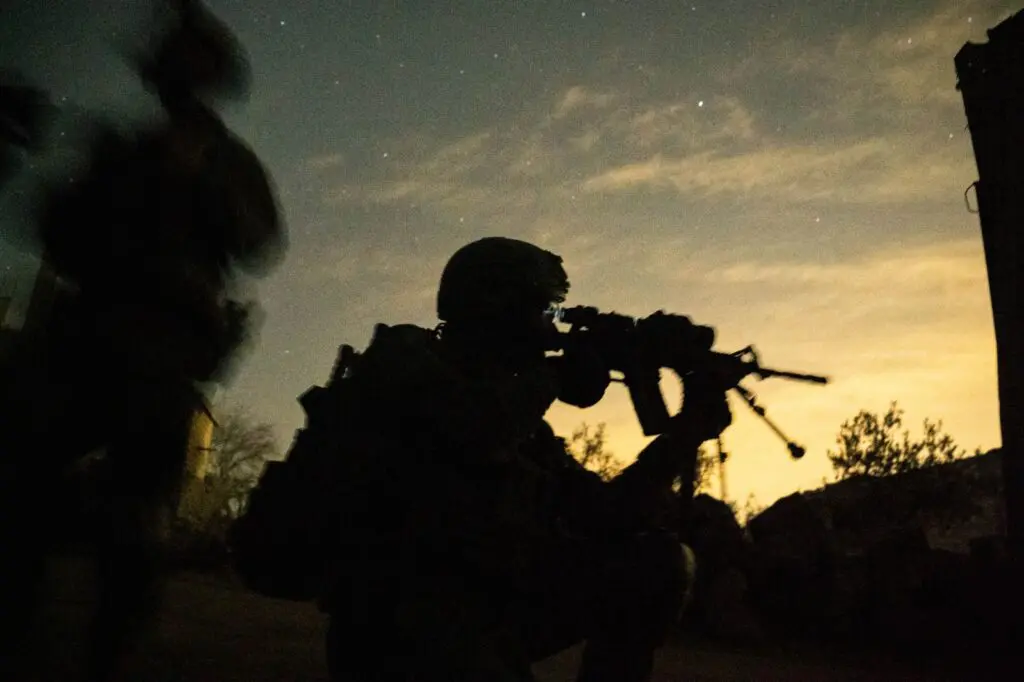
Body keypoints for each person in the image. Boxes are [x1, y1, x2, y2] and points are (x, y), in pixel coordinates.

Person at [237, 236, 731, 681]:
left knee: (653, 562)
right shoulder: (404, 360)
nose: (550, 329)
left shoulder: (519, 418)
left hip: (483, 615)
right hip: (396, 626)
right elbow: (475, 430)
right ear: (500, 308)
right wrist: (554, 378)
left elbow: (605, 516)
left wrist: (683, 436)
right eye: (544, 311)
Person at [0, 2, 284, 679]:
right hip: (84, 336)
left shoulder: (228, 161)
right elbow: (55, 231)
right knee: (18, 488)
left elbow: (258, 241)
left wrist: (198, 181)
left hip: (162, 351)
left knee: (134, 520)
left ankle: (110, 654)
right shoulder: (120, 148)